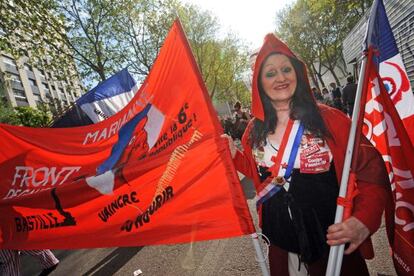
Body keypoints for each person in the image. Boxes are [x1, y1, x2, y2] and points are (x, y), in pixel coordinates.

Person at [224, 33, 390, 275]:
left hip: (332, 248)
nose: (280, 78)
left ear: (297, 74)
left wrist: (364, 219)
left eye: (286, 69)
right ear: (259, 82)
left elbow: (371, 171)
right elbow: (262, 176)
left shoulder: (331, 120)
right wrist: (233, 156)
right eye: (270, 73)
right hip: (282, 247)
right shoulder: (253, 130)